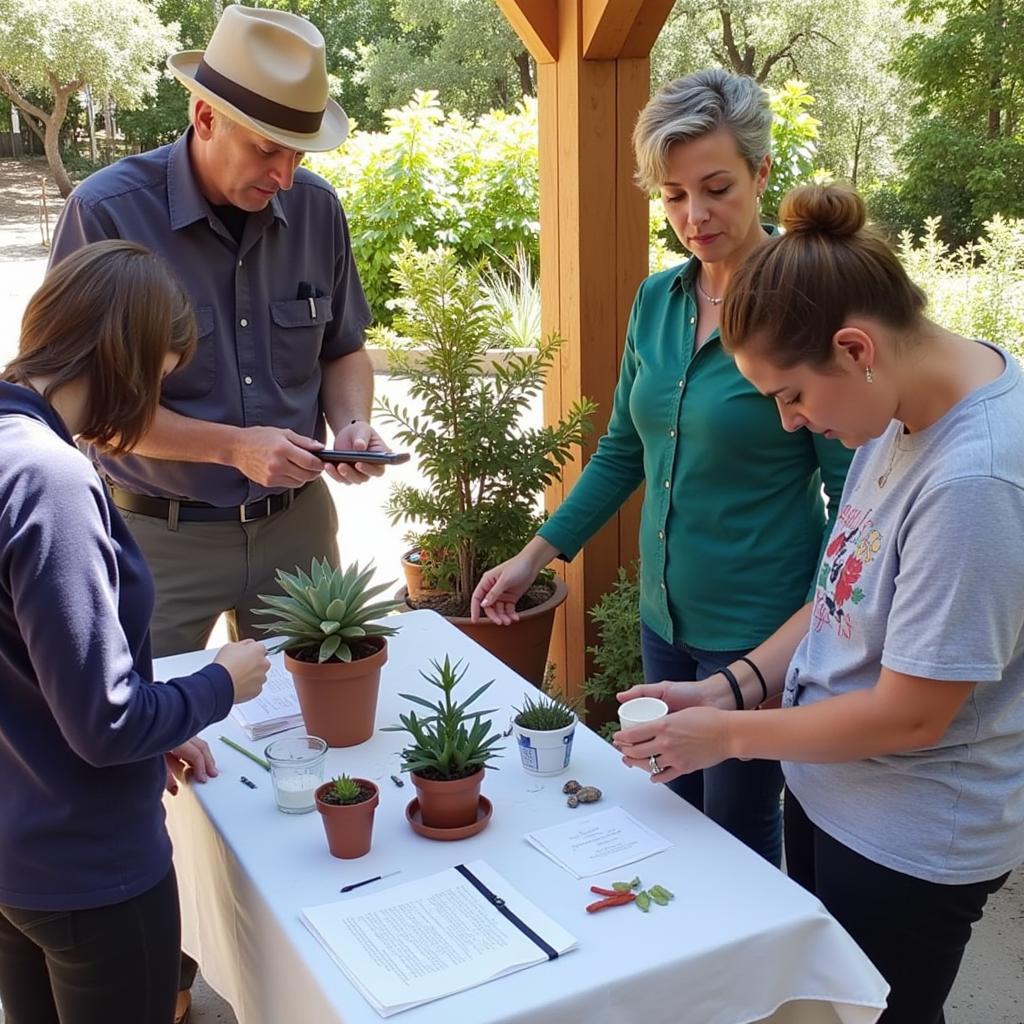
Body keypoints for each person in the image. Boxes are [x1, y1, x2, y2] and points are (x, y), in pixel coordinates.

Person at [614, 183, 1023, 1023]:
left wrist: (727, 737)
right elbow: (842, 593)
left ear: (855, 348)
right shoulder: (903, 407)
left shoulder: (974, 480)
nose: (791, 423)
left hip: (911, 839)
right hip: (839, 795)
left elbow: (912, 716)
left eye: (791, 396)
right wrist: (731, 688)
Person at [471, 70, 852, 865]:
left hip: (759, 632)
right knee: (665, 816)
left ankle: (751, 985)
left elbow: (854, 499)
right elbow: (622, 450)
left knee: (738, 842)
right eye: (674, 196)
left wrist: (821, 628)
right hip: (664, 622)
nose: (695, 216)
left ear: (762, 174)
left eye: (715, 187)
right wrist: (535, 555)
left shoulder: (808, 305)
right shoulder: (657, 300)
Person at [49, 5, 389, 660]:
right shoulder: (106, 215)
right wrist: (235, 447)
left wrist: (351, 424)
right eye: (267, 149)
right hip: (154, 538)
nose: (285, 176)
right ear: (205, 117)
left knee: (313, 735)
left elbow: (343, 347)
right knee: (142, 746)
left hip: (298, 531)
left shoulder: (317, 210)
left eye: (298, 153)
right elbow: (89, 410)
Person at [0, 240, 270, 1024]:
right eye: (162, 375)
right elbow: (106, 721)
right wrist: (219, 682)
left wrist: (161, 723)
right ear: (132, 358)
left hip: (19, 853)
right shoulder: (51, 480)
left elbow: (38, 669)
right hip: (92, 871)